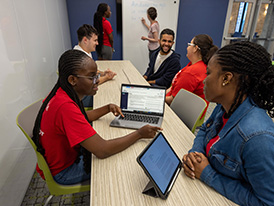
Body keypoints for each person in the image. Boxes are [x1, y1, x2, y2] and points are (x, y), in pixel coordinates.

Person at [182, 41, 274, 206]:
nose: (204, 80)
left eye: (209, 73)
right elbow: (205, 129)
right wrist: (195, 155)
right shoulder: (225, 105)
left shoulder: (257, 138)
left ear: (226, 78)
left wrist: (207, 173)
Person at [32, 50, 161, 185]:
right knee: (121, 167)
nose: (97, 80)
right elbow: (102, 150)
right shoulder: (65, 107)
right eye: (92, 77)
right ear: (72, 80)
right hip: (65, 171)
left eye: (97, 75)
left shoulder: (61, 93)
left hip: (62, 159)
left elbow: (80, 118)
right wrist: (139, 133)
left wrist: (107, 108)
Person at [165, 34, 218, 117]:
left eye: (190, 44)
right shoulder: (196, 66)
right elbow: (173, 87)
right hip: (181, 108)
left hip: (178, 113)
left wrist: (158, 99)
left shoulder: (192, 72)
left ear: (195, 48)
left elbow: (174, 100)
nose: (187, 47)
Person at [74, 24, 116, 107]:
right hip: (83, 100)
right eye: (95, 40)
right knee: (109, 97)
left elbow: (92, 72)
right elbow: (91, 83)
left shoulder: (85, 51)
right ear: (85, 40)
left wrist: (103, 73)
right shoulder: (81, 59)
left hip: (84, 93)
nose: (97, 43)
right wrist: (107, 77)